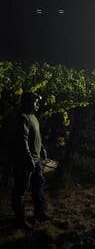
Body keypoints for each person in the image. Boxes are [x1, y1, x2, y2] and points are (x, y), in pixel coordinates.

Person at [11, 92, 51, 229]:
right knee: (20, 190)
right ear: (28, 102)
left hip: (36, 159)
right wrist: (28, 158)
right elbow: (22, 140)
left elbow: (36, 135)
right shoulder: (22, 118)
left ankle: (39, 213)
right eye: (35, 102)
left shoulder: (33, 116)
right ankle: (20, 220)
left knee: (38, 185)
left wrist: (42, 149)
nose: (37, 104)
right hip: (25, 161)